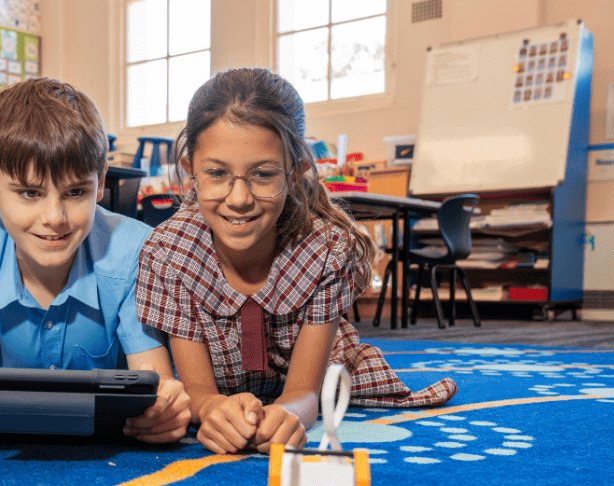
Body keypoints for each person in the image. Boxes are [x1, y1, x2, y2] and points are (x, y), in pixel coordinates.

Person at [136, 68, 456, 456]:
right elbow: (199, 390)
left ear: (296, 172)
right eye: (217, 173)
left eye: (264, 174)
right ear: (190, 173)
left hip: (316, 372)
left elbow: (305, 390)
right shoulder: (169, 252)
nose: (239, 198)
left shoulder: (326, 250)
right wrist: (213, 409)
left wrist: (289, 414)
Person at [0, 77, 190, 445]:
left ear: (100, 185)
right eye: (30, 193)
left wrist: (163, 414)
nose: (54, 217)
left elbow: (156, 385)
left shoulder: (137, 255)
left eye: (76, 192)